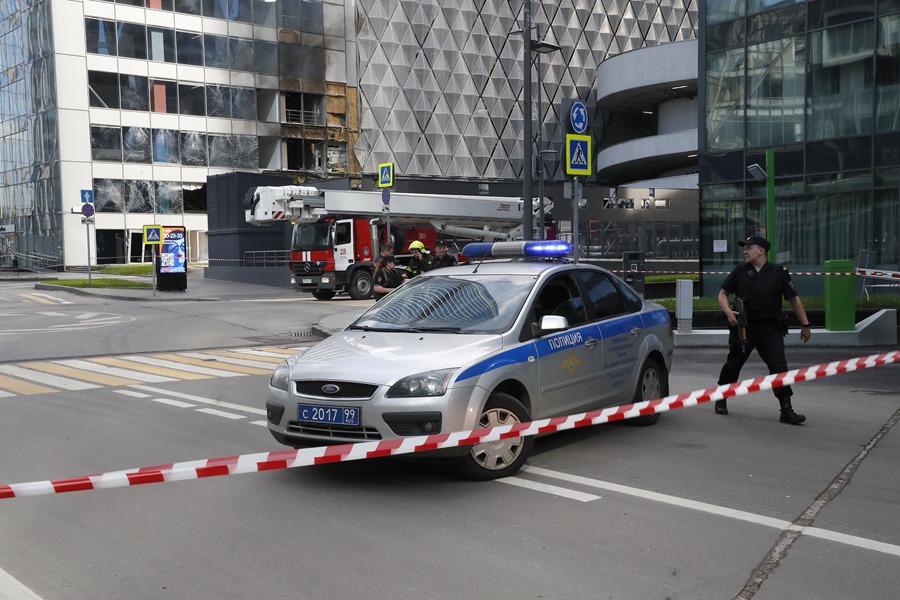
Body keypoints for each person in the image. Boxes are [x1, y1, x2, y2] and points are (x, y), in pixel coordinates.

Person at [715, 235, 812, 424]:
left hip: (769, 328)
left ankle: (786, 409)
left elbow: (794, 299)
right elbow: (722, 294)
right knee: (733, 364)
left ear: (762, 251)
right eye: (745, 248)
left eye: (749, 248)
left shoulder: (779, 272)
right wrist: (728, 312)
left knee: (779, 367)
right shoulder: (740, 271)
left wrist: (805, 325)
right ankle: (721, 397)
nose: (745, 251)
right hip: (744, 327)